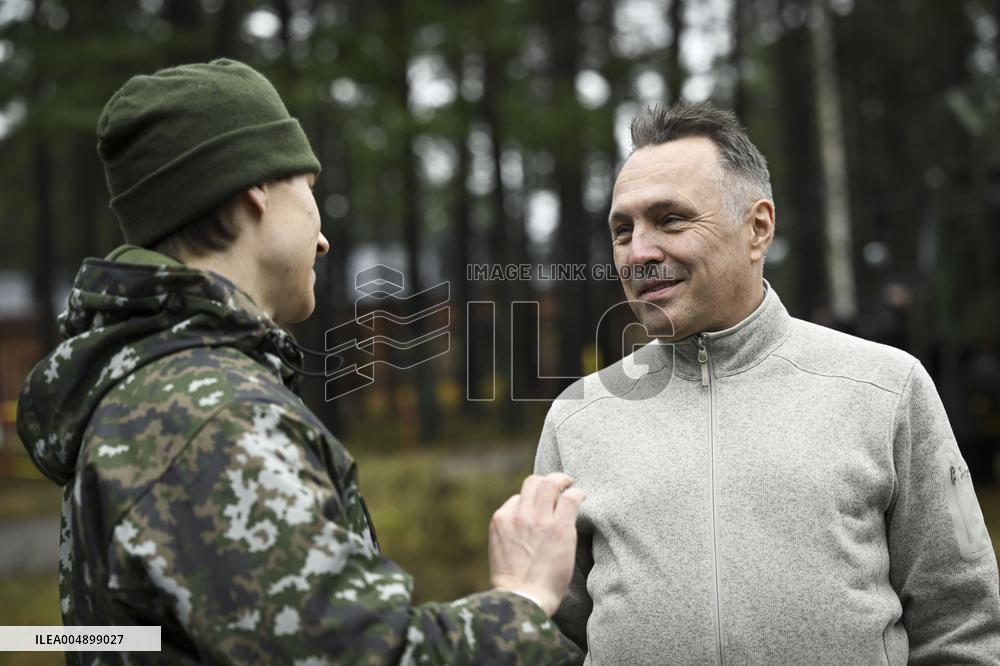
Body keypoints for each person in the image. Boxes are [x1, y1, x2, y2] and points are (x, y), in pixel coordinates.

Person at [17, 59, 585, 664]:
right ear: (253, 189)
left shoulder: (152, 390)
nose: (323, 238)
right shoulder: (210, 417)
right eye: (309, 191)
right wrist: (521, 602)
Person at [535, 102, 1000, 664]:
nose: (639, 252)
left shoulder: (886, 389)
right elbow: (555, 636)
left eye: (671, 219)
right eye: (622, 229)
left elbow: (962, 623)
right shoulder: (579, 416)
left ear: (757, 228)